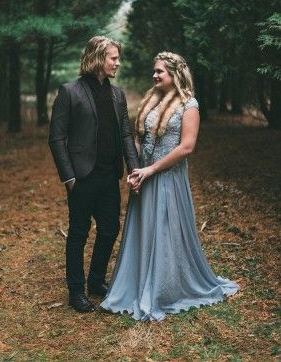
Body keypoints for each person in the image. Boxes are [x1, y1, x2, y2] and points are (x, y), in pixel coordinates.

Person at [100, 51, 239, 321]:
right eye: (154, 71)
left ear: (175, 74)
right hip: (145, 176)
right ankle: (138, 283)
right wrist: (136, 171)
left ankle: (165, 287)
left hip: (167, 178)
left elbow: (186, 147)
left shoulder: (189, 105)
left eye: (159, 71)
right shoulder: (152, 101)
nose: (154, 75)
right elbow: (140, 137)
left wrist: (152, 169)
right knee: (144, 229)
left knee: (165, 231)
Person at [49, 36, 139, 313]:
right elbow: (56, 138)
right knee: (78, 234)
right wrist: (69, 178)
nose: (117, 63)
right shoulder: (69, 92)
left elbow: (126, 133)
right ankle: (76, 292)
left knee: (110, 229)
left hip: (109, 176)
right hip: (82, 178)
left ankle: (96, 282)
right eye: (113, 58)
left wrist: (134, 169)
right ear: (98, 58)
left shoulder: (117, 94)